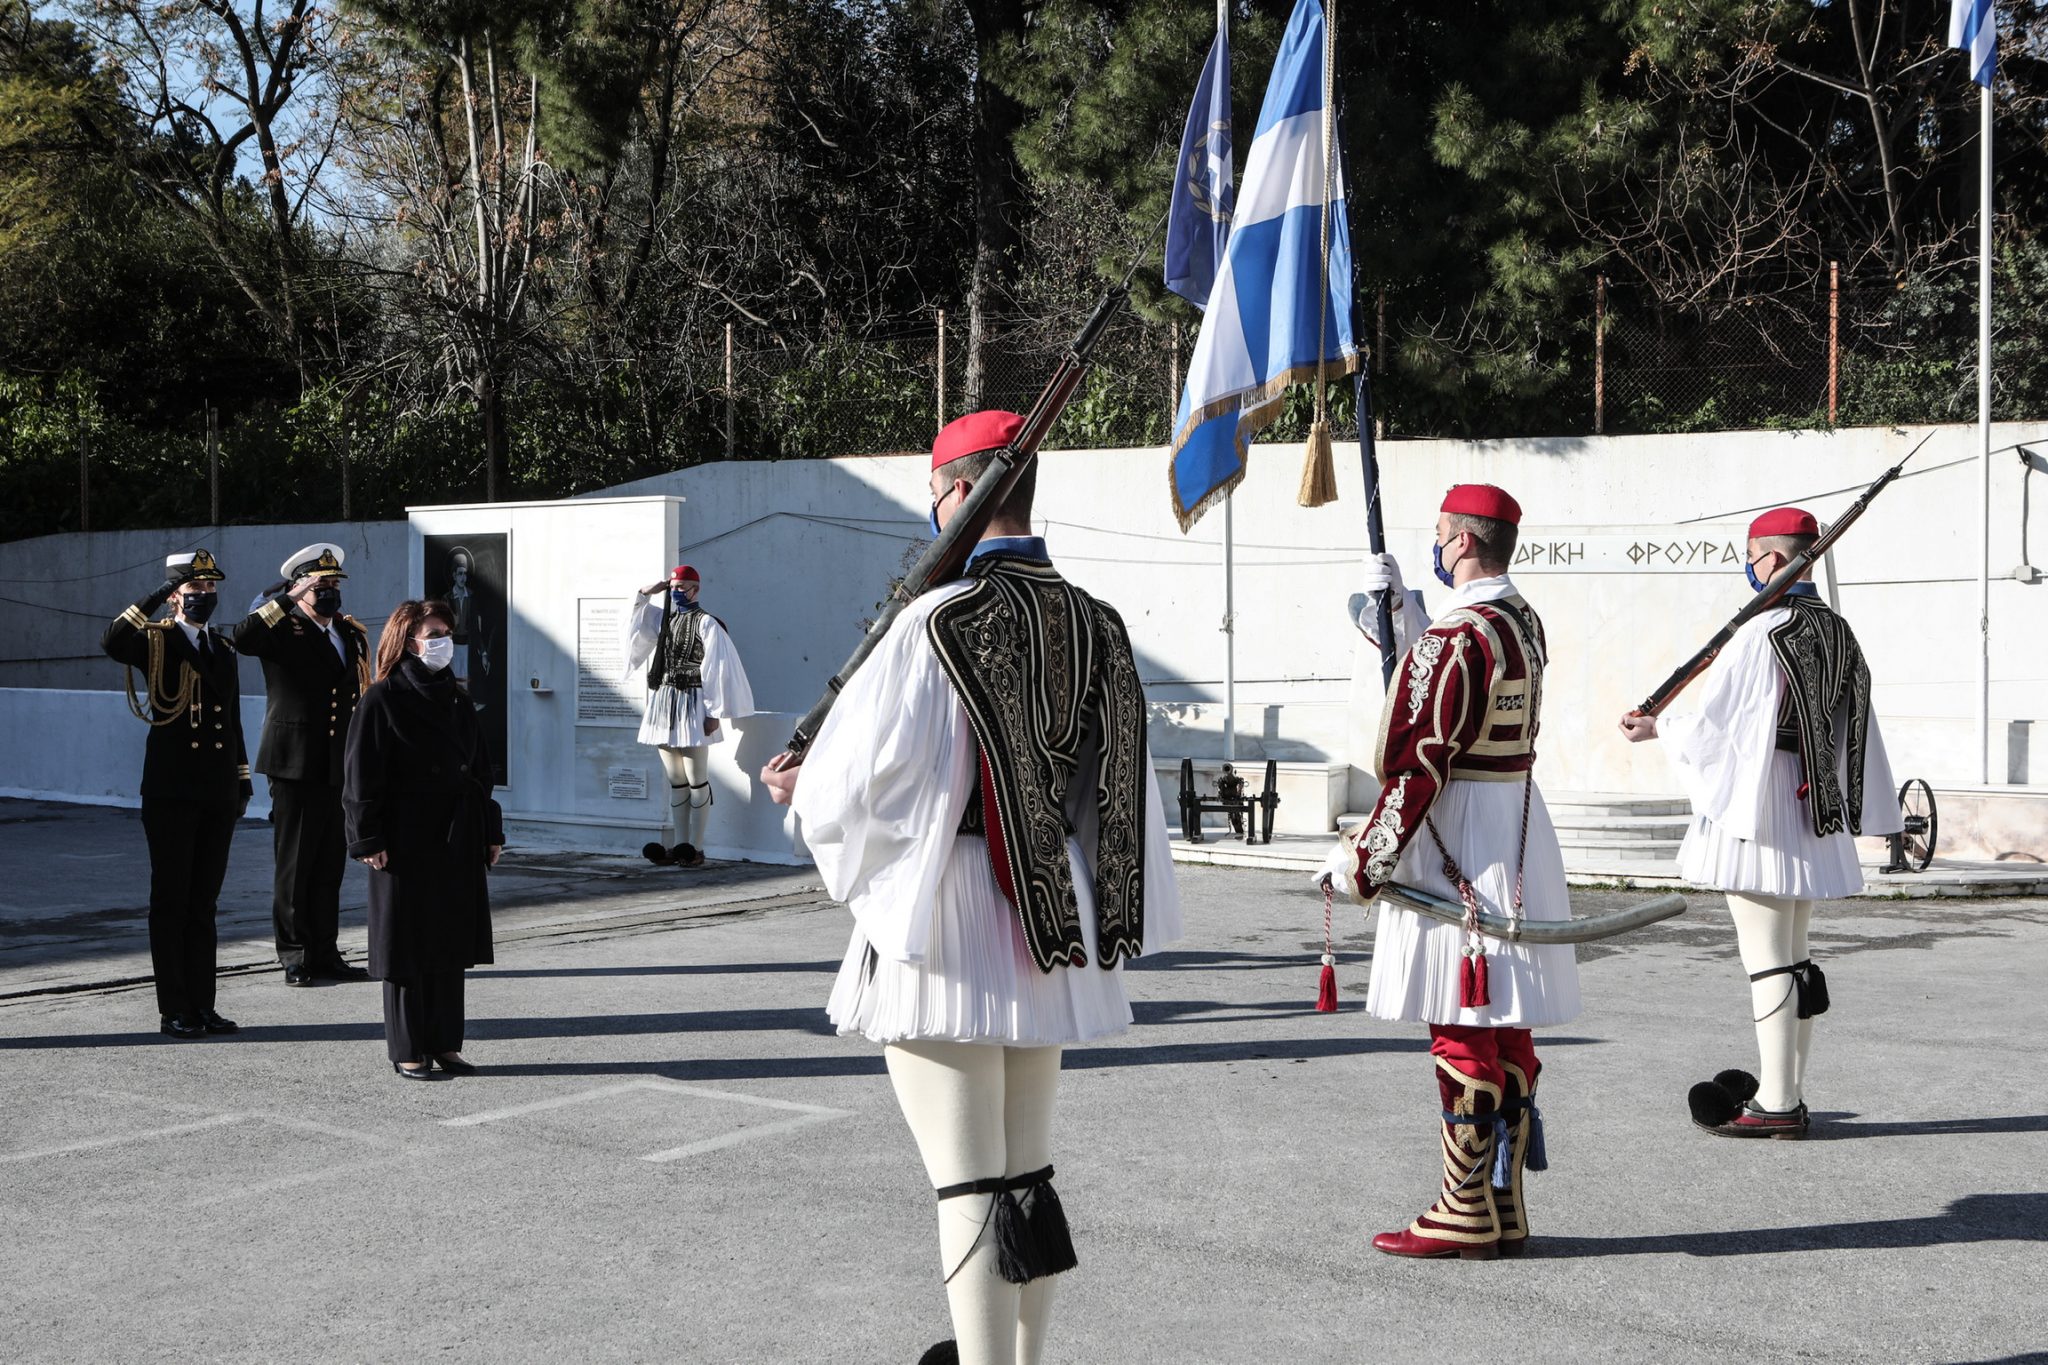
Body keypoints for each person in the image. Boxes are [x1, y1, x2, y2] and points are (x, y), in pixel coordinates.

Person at [761, 410, 1182, 1365]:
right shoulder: (1097, 620)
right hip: (1050, 918)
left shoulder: (935, 620)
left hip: (949, 913)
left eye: (935, 493)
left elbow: (872, 779)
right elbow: (1121, 791)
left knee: (969, 1187)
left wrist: (801, 784)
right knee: (1026, 1174)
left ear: (957, 493)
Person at [1318, 484, 1579, 1261]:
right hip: (1518, 822)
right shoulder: (1519, 621)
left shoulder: (1458, 636)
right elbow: (1451, 683)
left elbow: (1416, 762)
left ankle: (1463, 1207)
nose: (1435, 545)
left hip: (1460, 829)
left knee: (1461, 1019)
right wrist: (1403, 618)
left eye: (1439, 535)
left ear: (1462, 542)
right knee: (1504, 1024)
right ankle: (1500, 1202)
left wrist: (1360, 861)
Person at [1619, 506, 1899, 1138]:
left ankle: (1776, 1105)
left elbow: (1721, 728)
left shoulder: (1762, 631)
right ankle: (1787, 1091)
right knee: (1795, 958)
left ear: (1772, 560)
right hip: (1813, 802)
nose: (1749, 568)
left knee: (1769, 958)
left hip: (1762, 804)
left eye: (1751, 557)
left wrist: (1657, 726)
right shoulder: (1838, 630)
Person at [343, 599, 503, 1080]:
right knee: (408, 946)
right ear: (408, 639)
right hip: (405, 836)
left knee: (449, 942)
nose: (442, 642)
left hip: (456, 832)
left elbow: (479, 770)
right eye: (433, 633)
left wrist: (490, 830)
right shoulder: (383, 697)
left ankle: (445, 1042)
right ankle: (409, 1048)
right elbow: (360, 777)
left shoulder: (454, 697)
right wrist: (367, 838)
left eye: (446, 632)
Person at [100, 550, 253, 1040]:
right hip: (171, 790)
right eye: (195, 588)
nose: (205, 596)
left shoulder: (223, 649)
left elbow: (231, 720)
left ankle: (203, 1004)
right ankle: (175, 1007)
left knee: (204, 902)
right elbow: (112, 640)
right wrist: (156, 597)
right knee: (172, 900)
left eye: (210, 588)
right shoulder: (156, 642)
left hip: (216, 789)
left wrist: (242, 778)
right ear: (175, 595)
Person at [234, 543, 373, 986]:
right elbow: (243, 637)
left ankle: (325, 951)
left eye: (333, 584)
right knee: (294, 862)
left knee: (330, 862)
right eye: (320, 585)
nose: (329, 592)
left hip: (337, 762)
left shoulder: (347, 634)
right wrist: (287, 599)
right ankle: (294, 955)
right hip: (293, 759)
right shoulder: (282, 628)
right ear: (299, 588)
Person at [624, 564, 755, 867]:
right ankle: (680, 845)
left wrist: (714, 712)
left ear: (696, 589)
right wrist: (646, 593)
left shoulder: (707, 623)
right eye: (673, 588)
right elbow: (636, 625)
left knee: (697, 780)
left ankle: (695, 847)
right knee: (676, 780)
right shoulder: (665, 619)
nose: (676, 592)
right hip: (665, 700)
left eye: (682, 587)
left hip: (694, 701)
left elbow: (717, 669)